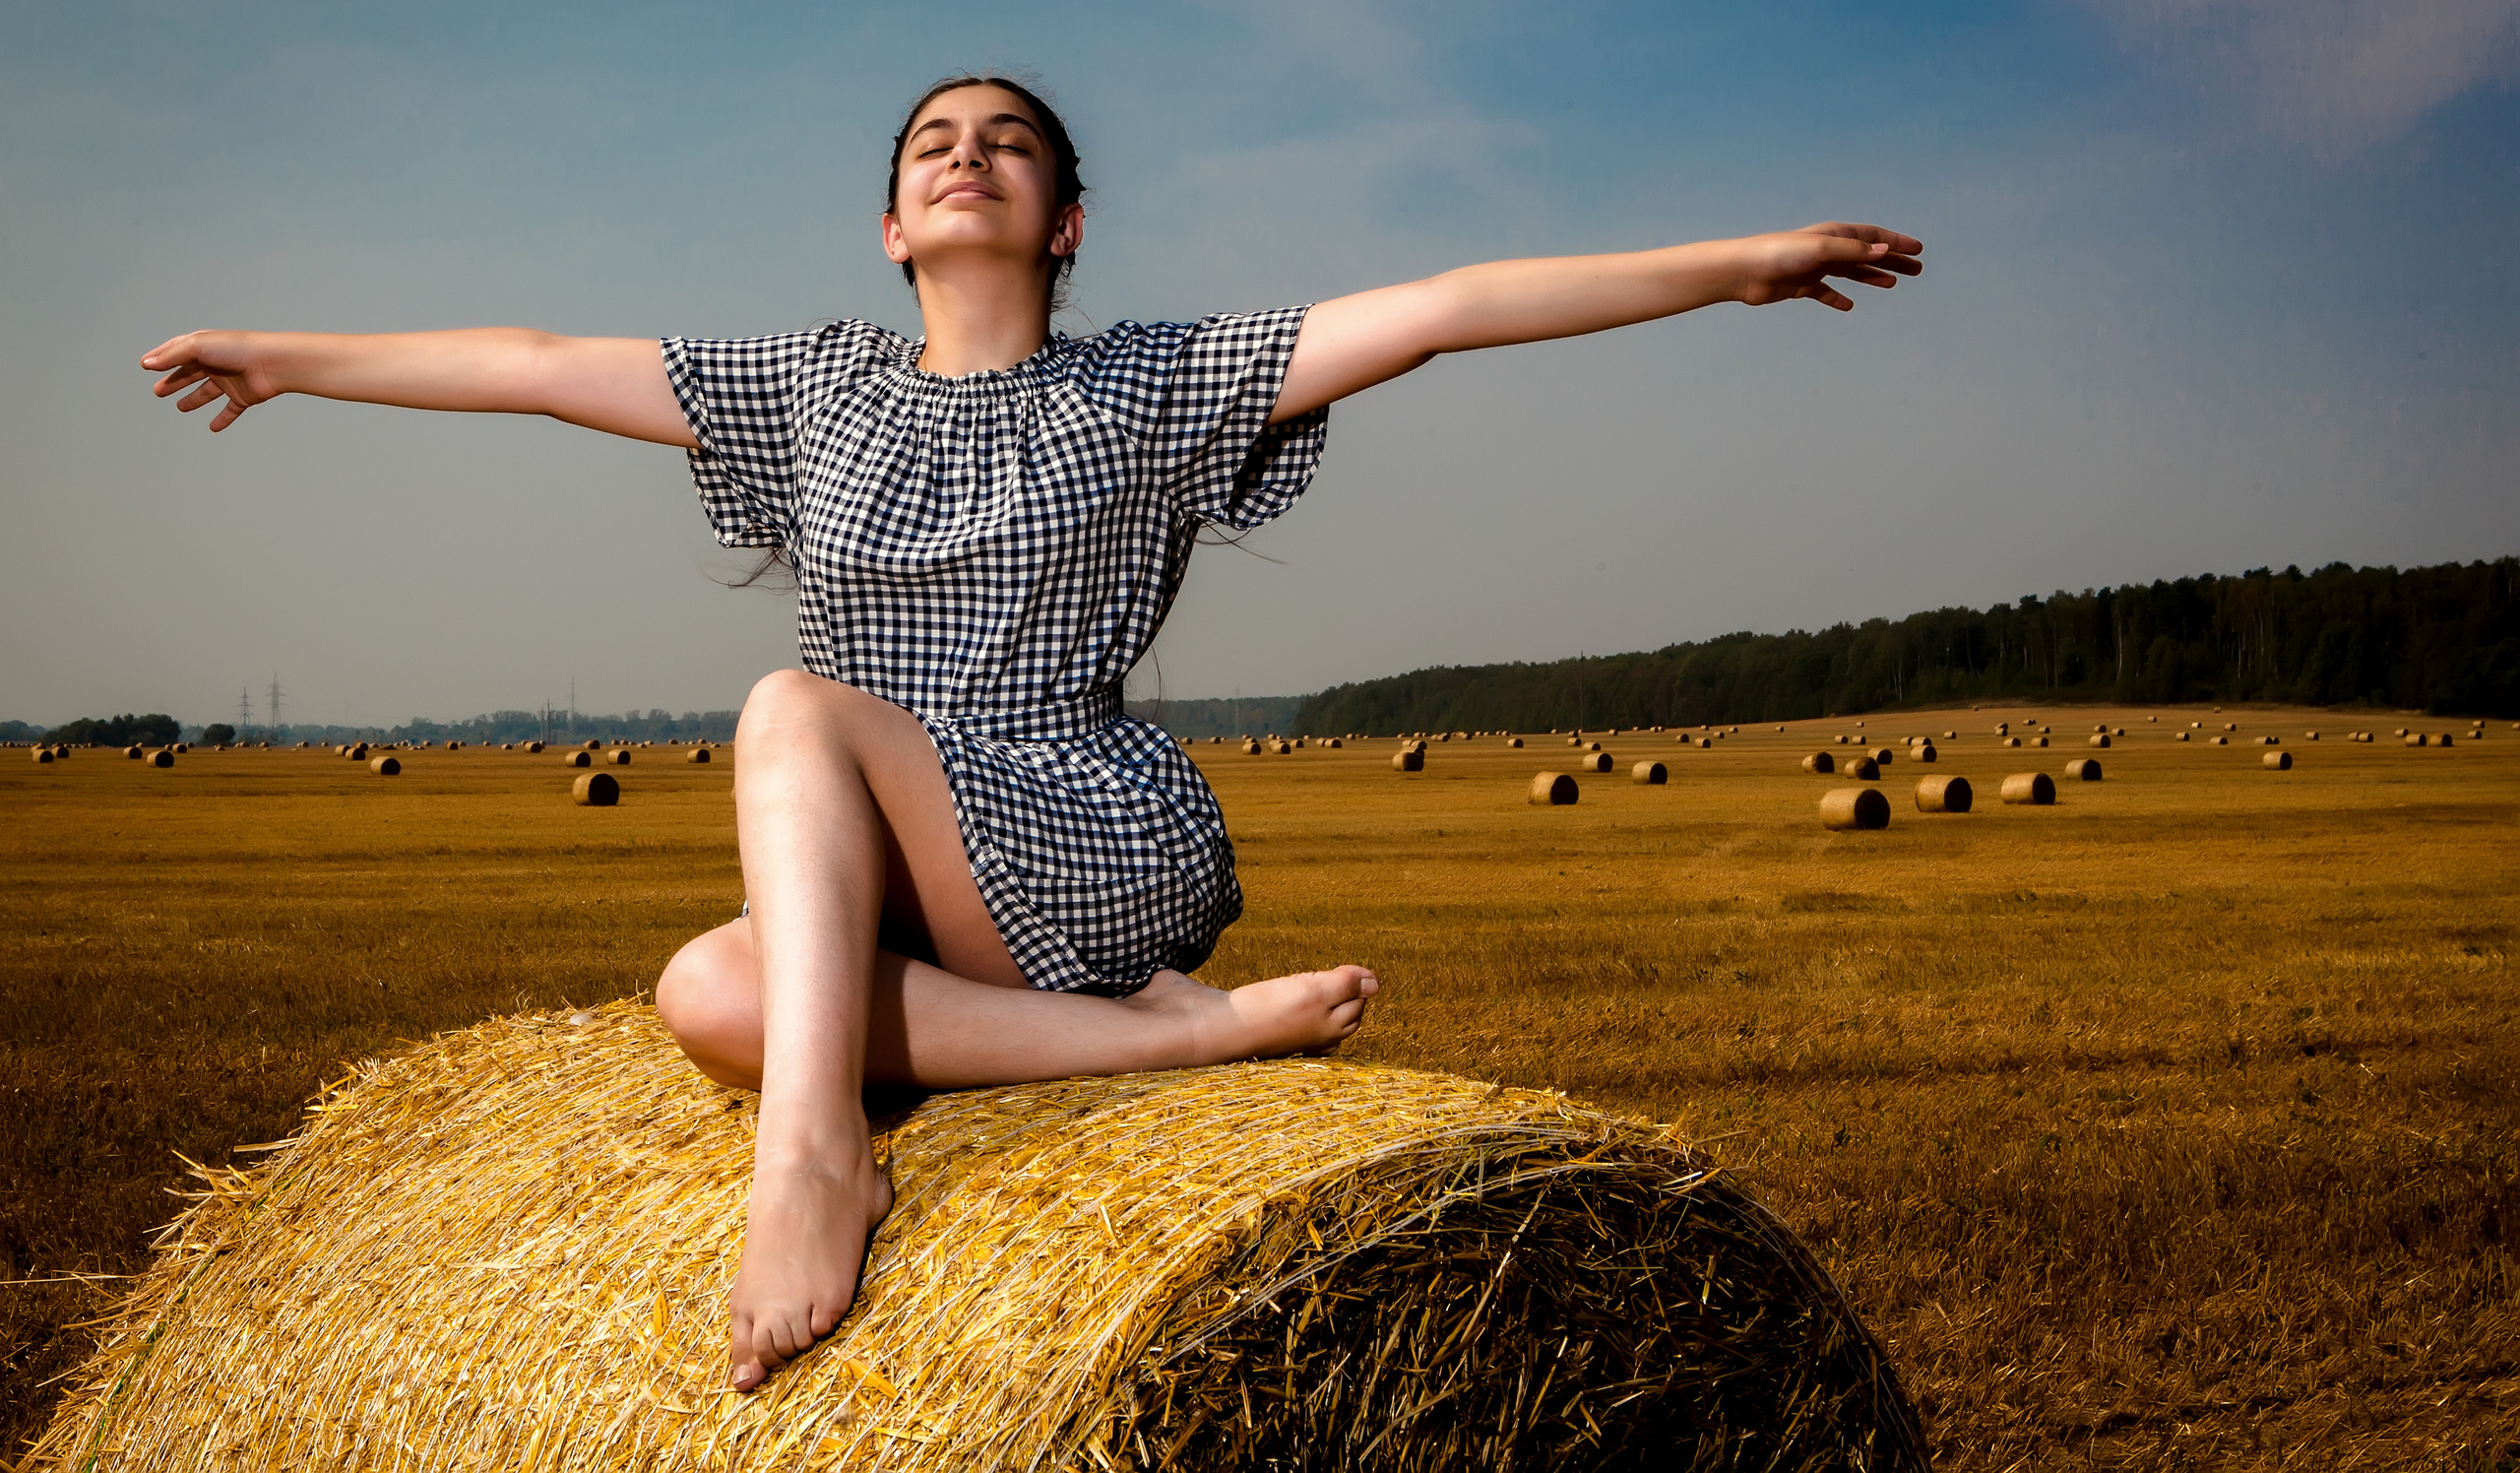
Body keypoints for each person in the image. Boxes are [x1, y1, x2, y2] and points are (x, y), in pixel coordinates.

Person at [141, 72, 1922, 1392]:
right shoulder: (806, 385)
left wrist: (1739, 265)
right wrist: (291, 356)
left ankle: (815, 1153)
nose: (965, 155)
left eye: (1007, 144)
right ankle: (1172, 1046)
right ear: (893, 226)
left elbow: (1451, 307)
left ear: (1063, 221)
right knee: (700, 993)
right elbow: (533, 359)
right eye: (933, 146)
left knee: (786, 710)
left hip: (1071, 817)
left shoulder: (1157, 381)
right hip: (887, 863)